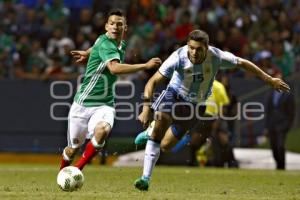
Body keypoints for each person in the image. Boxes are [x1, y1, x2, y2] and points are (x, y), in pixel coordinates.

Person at [134, 30, 290, 191]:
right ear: (188, 45)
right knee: (161, 123)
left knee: (166, 145)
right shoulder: (178, 57)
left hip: (197, 105)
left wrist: (269, 79)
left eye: (199, 49)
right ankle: (145, 178)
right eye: (191, 48)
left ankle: (150, 132)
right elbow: (151, 82)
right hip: (174, 95)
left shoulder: (216, 57)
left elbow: (243, 63)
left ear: (207, 48)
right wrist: (146, 108)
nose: (194, 52)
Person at [59, 9, 161, 171]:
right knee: (72, 150)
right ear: (106, 26)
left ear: (125, 28)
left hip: (104, 104)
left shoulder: (115, 43)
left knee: (103, 130)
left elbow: (96, 45)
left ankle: (77, 170)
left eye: (119, 24)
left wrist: (87, 53)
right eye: (112, 23)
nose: (115, 27)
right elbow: (113, 68)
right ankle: (62, 172)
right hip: (82, 104)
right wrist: (145, 65)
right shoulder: (107, 44)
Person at [265, 72, 295, 170]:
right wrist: (267, 126)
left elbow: (292, 112)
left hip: (282, 125)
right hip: (272, 125)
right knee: (274, 148)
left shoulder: (288, 95)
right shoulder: (270, 94)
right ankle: (278, 164)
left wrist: (288, 125)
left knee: (280, 146)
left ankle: (281, 167)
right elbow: (268, 111)